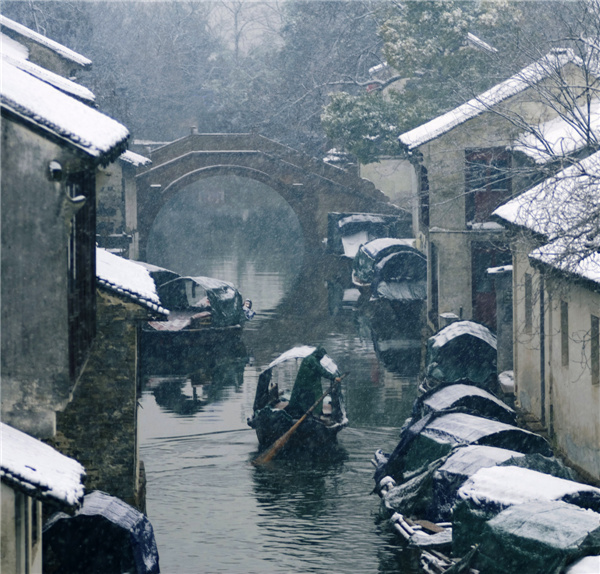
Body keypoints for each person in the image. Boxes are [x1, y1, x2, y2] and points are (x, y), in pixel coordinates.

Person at [286, 347, 341, 417]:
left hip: (304, 384)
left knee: (302, 399)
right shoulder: (312, 360)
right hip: (307, 385)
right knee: (310, 399)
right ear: (319, 354)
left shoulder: (310, 358)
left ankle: (302, 413)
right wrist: (333, 377)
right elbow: (321, 370)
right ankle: (310, 414)